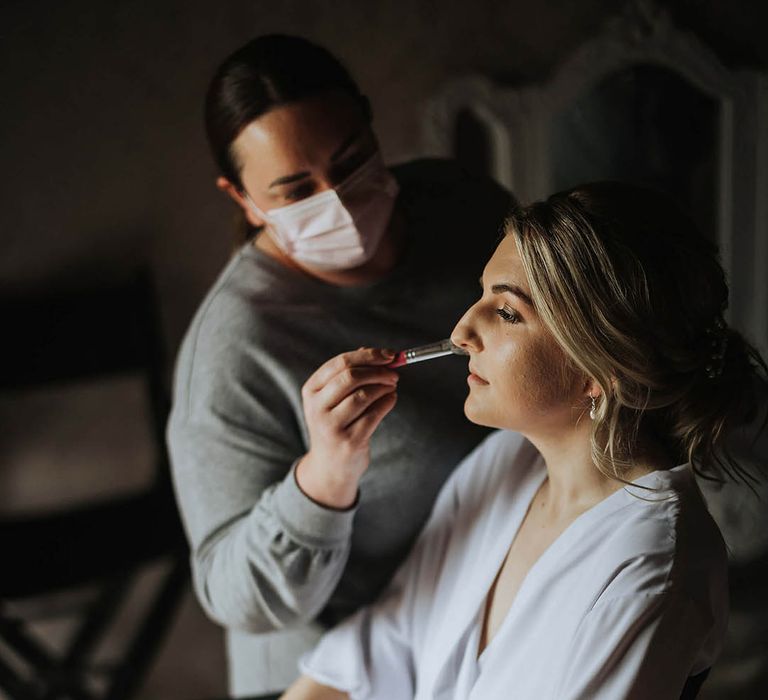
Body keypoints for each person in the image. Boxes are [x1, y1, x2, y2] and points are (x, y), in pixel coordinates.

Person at [281, 181, 768, 699]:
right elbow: (384, 644)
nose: (462, 331)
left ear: (598, 369)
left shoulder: (652, 568)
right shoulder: (507, 460)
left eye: (508, 313)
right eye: (482, 294)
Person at [166, 34, 514, 698]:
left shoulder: (461, 202)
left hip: (490, 596)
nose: (340, 203)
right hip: (331, 662)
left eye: (352, 162)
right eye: (296, 191)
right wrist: (324, 476)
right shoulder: (234, 349)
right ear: (241, 199)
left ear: (370, 121)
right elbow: (233, 596)